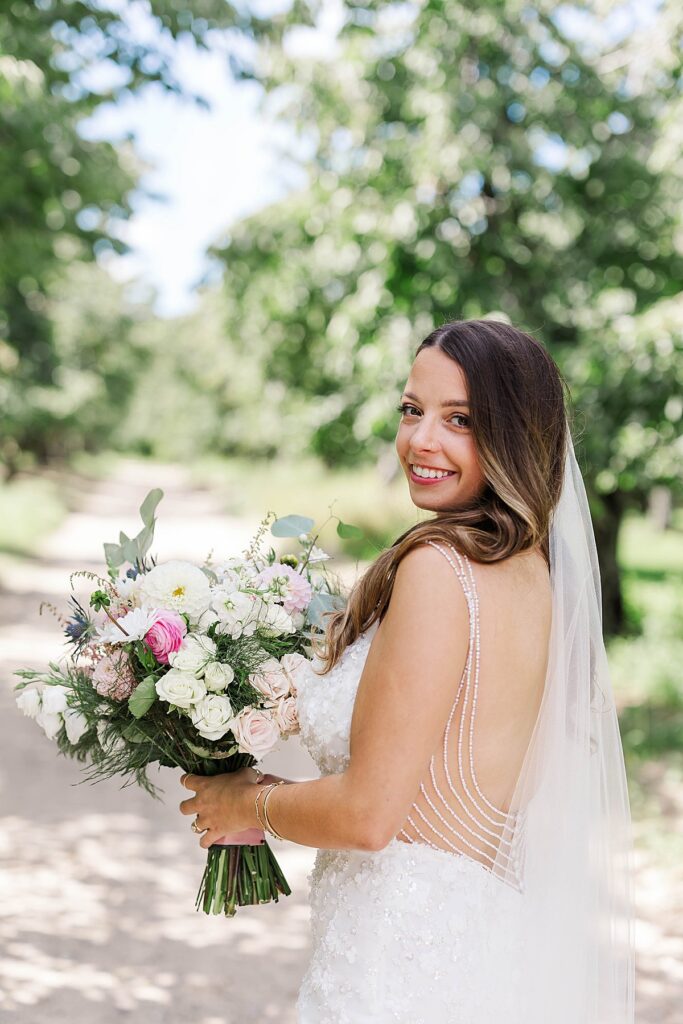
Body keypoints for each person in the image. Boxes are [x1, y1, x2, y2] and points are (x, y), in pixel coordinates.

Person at [179, 318, 635, 1023]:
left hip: (396, 971)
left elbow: (368, 817)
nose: (420, 440)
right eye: (411, 409)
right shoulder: (534, 575)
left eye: (460, 420)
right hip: (480, 947)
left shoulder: (439, 570)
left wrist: (244, 802)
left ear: (516, 434)